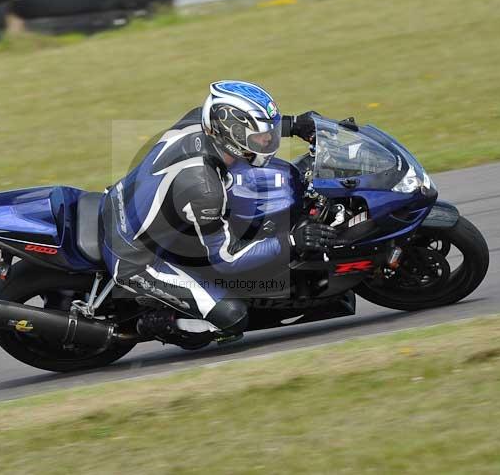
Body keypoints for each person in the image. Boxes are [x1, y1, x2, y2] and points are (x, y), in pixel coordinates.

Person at [100, 80, 343, 347]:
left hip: (122, 200)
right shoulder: (205, 188)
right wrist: (291, 241)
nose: (268, 140)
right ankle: (151, 324)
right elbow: (227, 259)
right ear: (233, 137)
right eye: (261, 136)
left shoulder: (198, 120)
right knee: (232, 317)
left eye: (269, 132)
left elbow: (248, 127)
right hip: (134, 258)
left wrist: (294, 124)